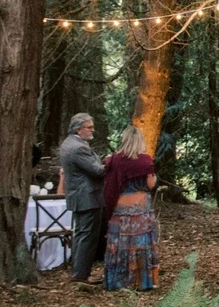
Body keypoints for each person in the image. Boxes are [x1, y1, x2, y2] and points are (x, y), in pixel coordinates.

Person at [101, 126, 158, 292]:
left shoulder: (114, 160)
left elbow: (109, 185)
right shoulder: (145, 161)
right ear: (140, 140)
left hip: (120, 209)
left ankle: (118, 281)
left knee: (120, 244)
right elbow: (150, 184)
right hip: (140, 208)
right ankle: (140, 281)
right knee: (140, 244)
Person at [59, 113, 106, 284]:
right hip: (87, 197)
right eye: (89, 127)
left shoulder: (68, 143)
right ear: (79, 129)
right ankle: (81, 274)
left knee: (81, 234)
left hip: (78, 195)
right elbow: (97, 171)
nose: (92, 130)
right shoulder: (79, 148)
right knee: (87, 236)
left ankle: (79, 271)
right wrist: (112, 163)